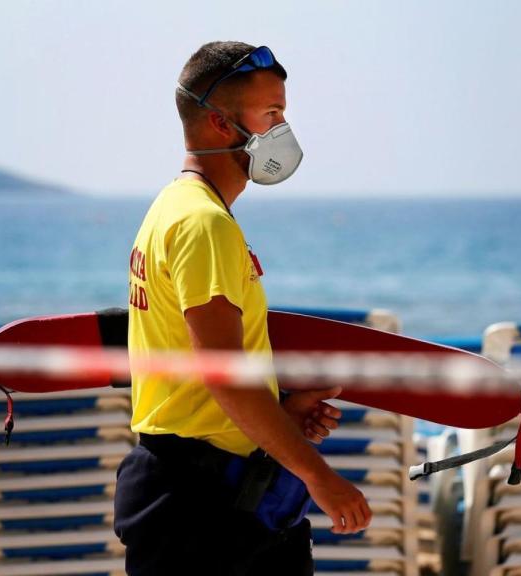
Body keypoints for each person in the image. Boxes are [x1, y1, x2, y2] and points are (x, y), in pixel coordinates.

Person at [113, 41, 372, 575]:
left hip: (210, 488)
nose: (284, 130)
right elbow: (225, 376)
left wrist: (280, 413)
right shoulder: (203, 224)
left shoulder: (175, 207)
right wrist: (319, 476)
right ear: (219, 124)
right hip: (201, 506)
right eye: (272, 114)